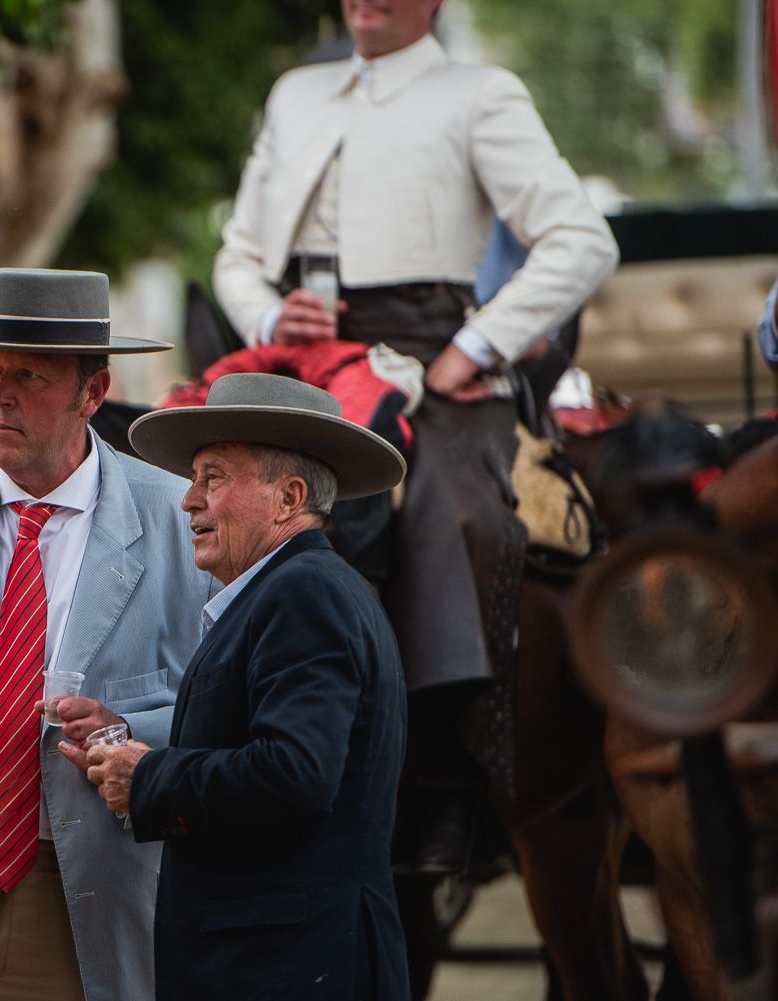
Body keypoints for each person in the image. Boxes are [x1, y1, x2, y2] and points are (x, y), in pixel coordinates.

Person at [211, 0, 620, 869]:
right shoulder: (294, 94)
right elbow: (237, 254)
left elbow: (581, 241)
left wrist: (478, 344)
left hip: (432, 354)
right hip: (302, 359)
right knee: (187, 488)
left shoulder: (481, 92)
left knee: (457, 515)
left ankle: (444, 775)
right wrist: (267, 312)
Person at [0, 268, 213, 1001]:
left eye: (29, 376)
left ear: (93, 393)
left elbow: (226, 708)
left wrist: (127, 730)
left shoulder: (179, 520)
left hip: (82, 878)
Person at [82, 372, 409, 999]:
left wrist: (146, 778)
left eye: (214, 478)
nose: (189, 500)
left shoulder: (303, 593)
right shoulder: (296, 589)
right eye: (194, 478)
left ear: (288, 498)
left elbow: (295, 772)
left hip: (288, 968)